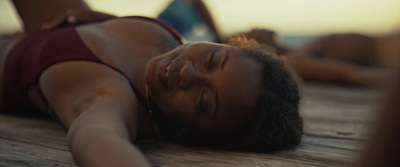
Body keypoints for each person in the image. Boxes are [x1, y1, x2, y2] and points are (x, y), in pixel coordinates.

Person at [0, 0, 302, 167]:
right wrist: (98, 21)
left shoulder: (110, 96)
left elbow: (98, 139)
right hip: (57, 24)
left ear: (193, 133)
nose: (189, 74)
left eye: (203, 101)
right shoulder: (170, 40)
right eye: (212, 59)